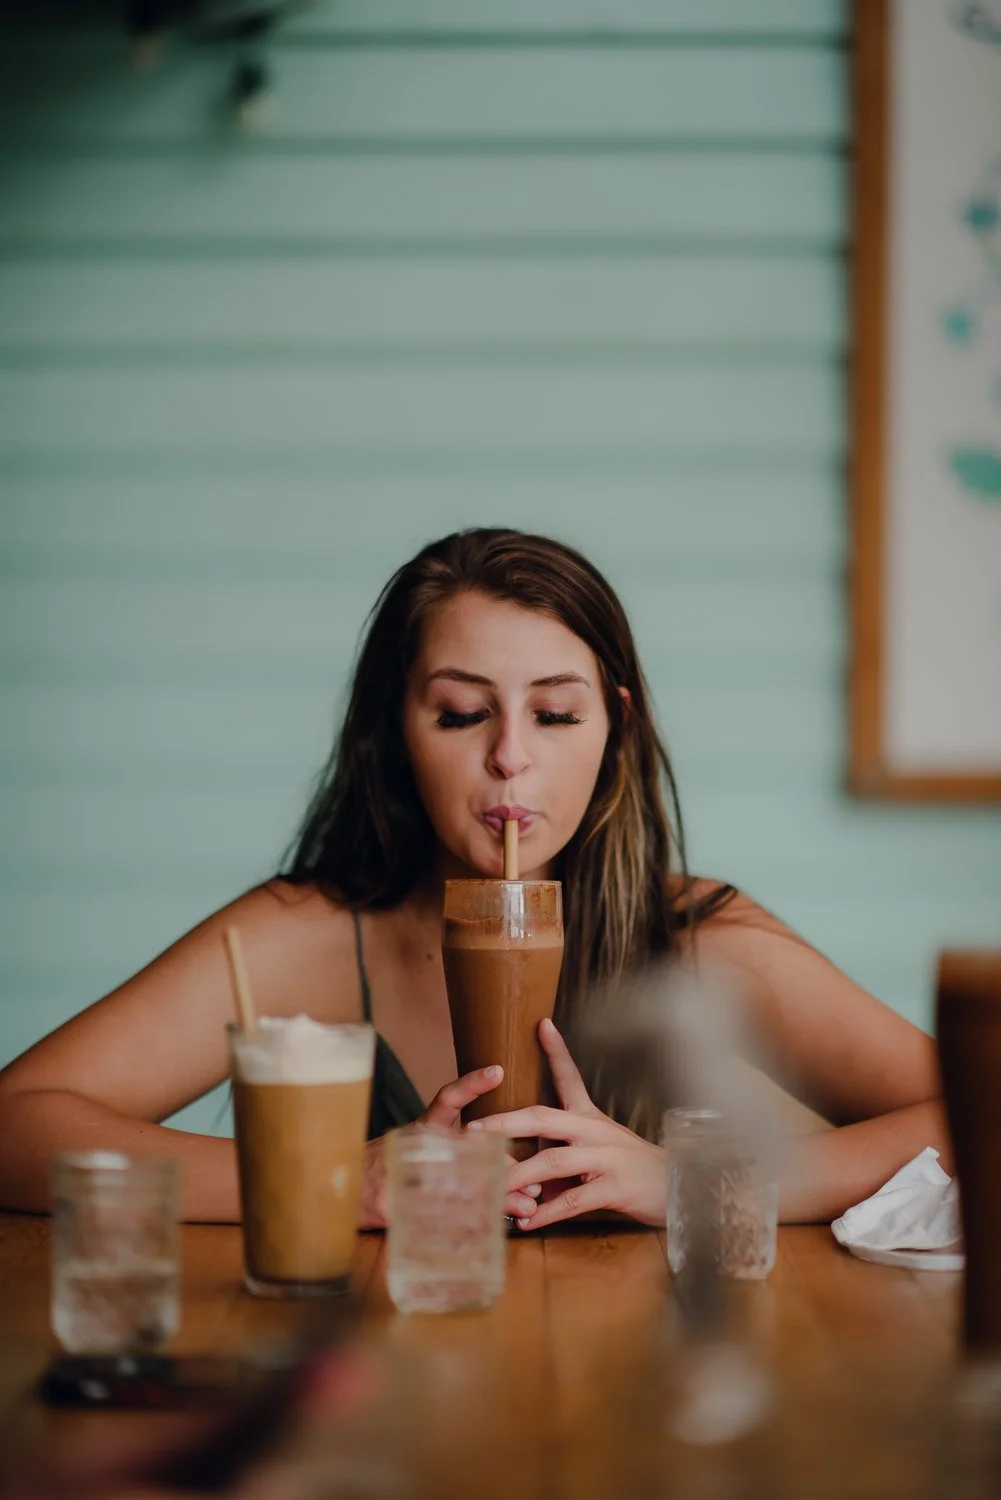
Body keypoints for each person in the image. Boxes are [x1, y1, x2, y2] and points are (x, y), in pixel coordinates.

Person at [0, 529, 950, 1229]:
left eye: (554, 716)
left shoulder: (698, 942)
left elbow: (976, 1119)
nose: (509, 759)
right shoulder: (307, 937)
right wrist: (343, 1179)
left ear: (614, 730)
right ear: (393, 732)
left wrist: (692, 1186)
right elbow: (16, 1123)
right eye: (460, 714)